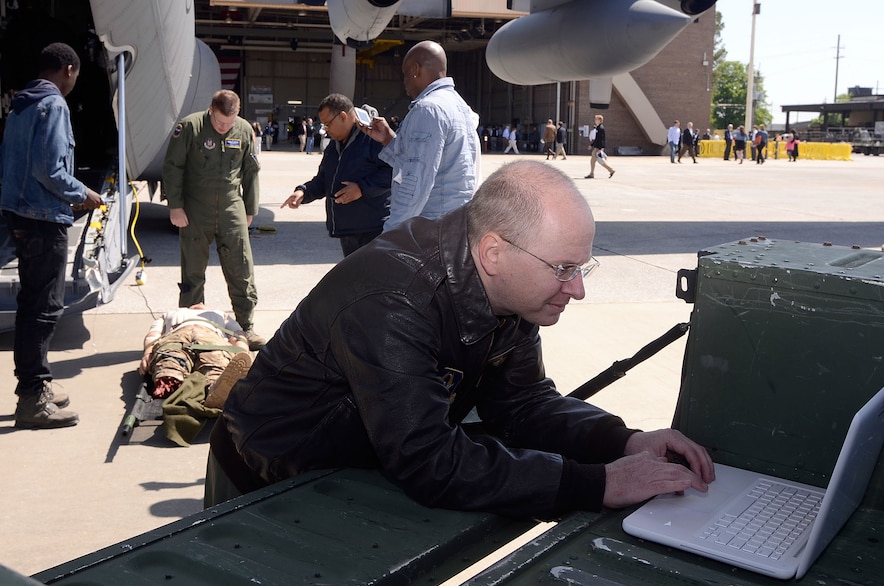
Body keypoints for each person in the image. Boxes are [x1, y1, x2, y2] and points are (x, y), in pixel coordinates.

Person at [204, 160, 716, 517]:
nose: (577, 289)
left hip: (348, 469)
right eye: (564, 269)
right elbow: (429, 460)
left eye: (581, 267)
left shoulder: (510, 292)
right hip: (265, 477)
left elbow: (523, 405)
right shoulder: (394, 297)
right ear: (494, 253)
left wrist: (623, 441)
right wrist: (598, 483)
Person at [1, 41, 105, 428]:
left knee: (31, 306)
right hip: (44, 220)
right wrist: (85, 194)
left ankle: (36, 384)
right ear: (69, 70)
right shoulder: (54, 105)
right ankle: (32, 399)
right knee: (44, 311)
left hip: (19, 216)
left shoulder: (21, 105)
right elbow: (52, 171)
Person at [161, 89, 266, 351]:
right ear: (211, 109)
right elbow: (172, 167)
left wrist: (250, 209)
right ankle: (189, 328)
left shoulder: (243, 130)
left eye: (229, 123)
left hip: (232, 207)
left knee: (241, 269)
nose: (223, 127)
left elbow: (251, 171)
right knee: (193, 271)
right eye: (219, 122)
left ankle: (246, 326)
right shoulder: (190, 127)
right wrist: (175, 206)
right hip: (195, 208)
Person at [360, 40, 480, 231]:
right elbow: (441, 163)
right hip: (454, 224)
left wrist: (392, 232)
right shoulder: (459, 105)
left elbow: (414, 181)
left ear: (415, 69)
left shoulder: (428, 109)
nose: (405, 82)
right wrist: (388, 139)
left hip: (431, 228)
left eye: (405, 74)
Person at [280, 93, 392, 257]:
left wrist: (362, 188)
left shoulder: (373, 137)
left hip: (373, 229)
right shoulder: (335, 146)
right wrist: (303, 192)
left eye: (327, 124)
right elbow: (324, 180)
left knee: (373, 280)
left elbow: (393, 171)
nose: (325, 130)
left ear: (343, 116)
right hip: (348, 230)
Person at [140, 305, 252, 409]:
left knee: (214, 362)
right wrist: (148, 353)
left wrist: (241, 355)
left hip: (207, 336)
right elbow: (239, 337)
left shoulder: (220, 314)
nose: (199, 302)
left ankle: (215, 389)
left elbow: (238, 336)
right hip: (181, 336)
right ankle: (172, 383)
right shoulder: (169, 313)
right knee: (170, 364)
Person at [586, 114, 615, 179]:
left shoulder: (600, 128)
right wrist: (592, 145)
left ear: (600, 120)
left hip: (598, 147)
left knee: (599, 160)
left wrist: (600, 148)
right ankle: (592, 173)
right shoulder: (598, 128)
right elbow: (597, 139)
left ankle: (611, 170)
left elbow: (601, 139)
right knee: (593, 160)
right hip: (597, 147)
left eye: (596, 119)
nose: (595, 120)